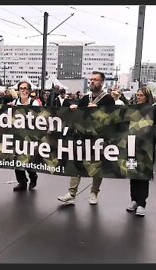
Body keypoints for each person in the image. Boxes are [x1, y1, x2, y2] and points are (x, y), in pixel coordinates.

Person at [57, 71, 115, 205]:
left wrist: (99, 109)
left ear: (102, 82)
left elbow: (113, 116)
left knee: (97, 165)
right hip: (83, 137)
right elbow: (79, 114)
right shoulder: (85, 98)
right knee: (76, 162)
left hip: (99, 137)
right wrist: (74, 108)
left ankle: (94, 192)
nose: (92, 82)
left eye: (95, 80)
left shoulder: (108, 99)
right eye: (91, 79)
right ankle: (71, 193)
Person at [126, 86, 156, 216]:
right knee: (133, 174)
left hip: (146, 148)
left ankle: (142, 203)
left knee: (143, 175)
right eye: (137, 95)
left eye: (141, 95)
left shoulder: (152, 110)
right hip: (133, 147)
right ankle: (134, 200)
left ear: (147, 96)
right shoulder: (133, 109)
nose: (138, 97)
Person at [8, 81, 41, 191]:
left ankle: (33, 176)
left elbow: (38, 117)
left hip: (30, 136)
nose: (23, 90)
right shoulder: (15, 102)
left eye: (25, 88)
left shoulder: (34, 102)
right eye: (21, 88)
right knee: (17, 159)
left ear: (29, 90)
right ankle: (22, 182)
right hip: (17, 135)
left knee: (28, 159)